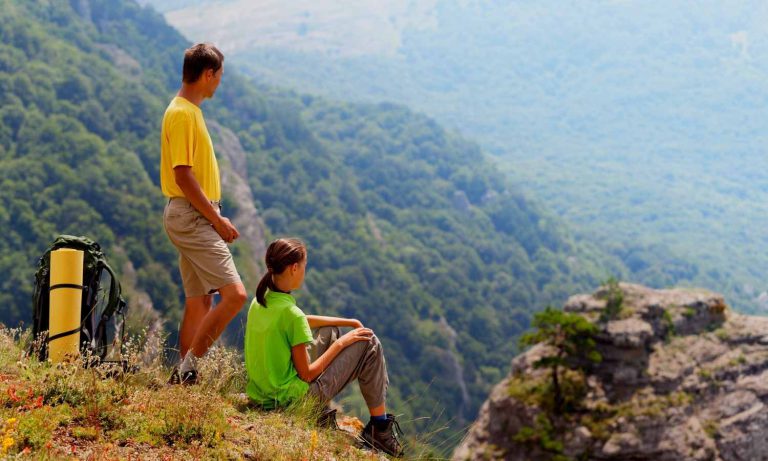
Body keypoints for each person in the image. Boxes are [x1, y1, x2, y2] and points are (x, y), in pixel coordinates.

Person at [244, 238, 404, 457]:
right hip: (290, 401)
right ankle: (379, 429)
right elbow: (307, 374)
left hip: (264, 395)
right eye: (304, 267)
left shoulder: (262, 299)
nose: (304, 272)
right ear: (293, 268)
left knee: (330, 330)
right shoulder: (292, 315)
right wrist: (342, 343)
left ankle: (322, 412)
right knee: (369, 343)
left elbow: (300, 321)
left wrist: (346, 322)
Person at [160, 43, 248, 384]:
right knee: (235, 294)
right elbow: (182, 175)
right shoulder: (182, 113)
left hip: (192, 214)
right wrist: (216, 219)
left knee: (200, 301)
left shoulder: (189, 111)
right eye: (219, 77)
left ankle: (182, 380)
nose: (219, 84)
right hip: (193, 215)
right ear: (208, 74)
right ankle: (189, 370)